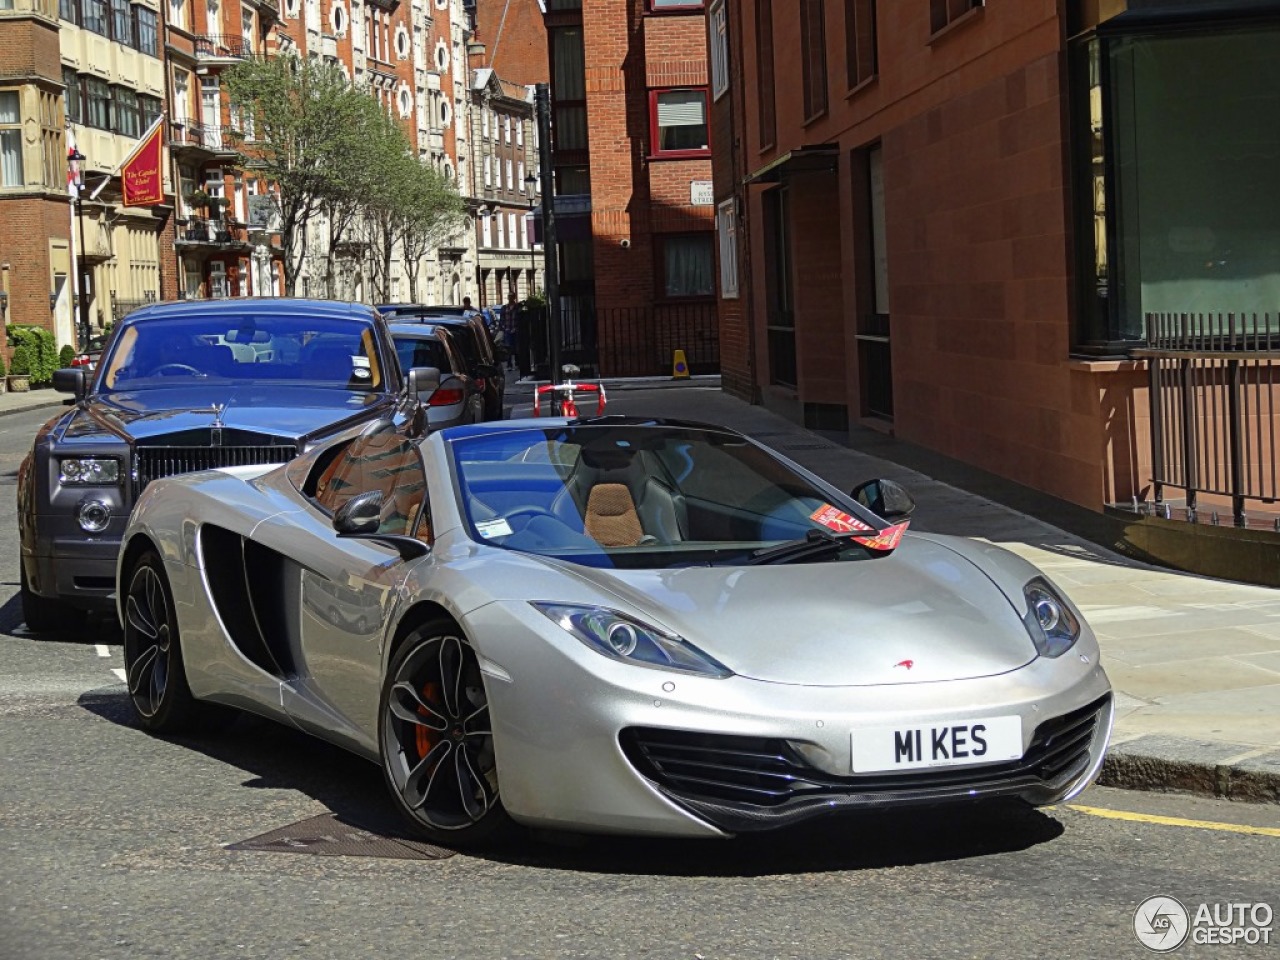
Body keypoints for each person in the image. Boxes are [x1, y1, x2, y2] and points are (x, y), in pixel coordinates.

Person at [502, 292, 527, 376]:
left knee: (517, 348)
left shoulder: (517, 307)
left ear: (514, 298)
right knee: (508, 348)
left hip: (515, 330)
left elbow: (520, 317)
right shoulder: (505, 308)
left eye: (511, 297)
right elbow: (502, 318)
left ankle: (517, 363)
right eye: (509, 297)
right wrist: (504, 327)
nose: (510, 298)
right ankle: (509, 364)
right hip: (508, 330)